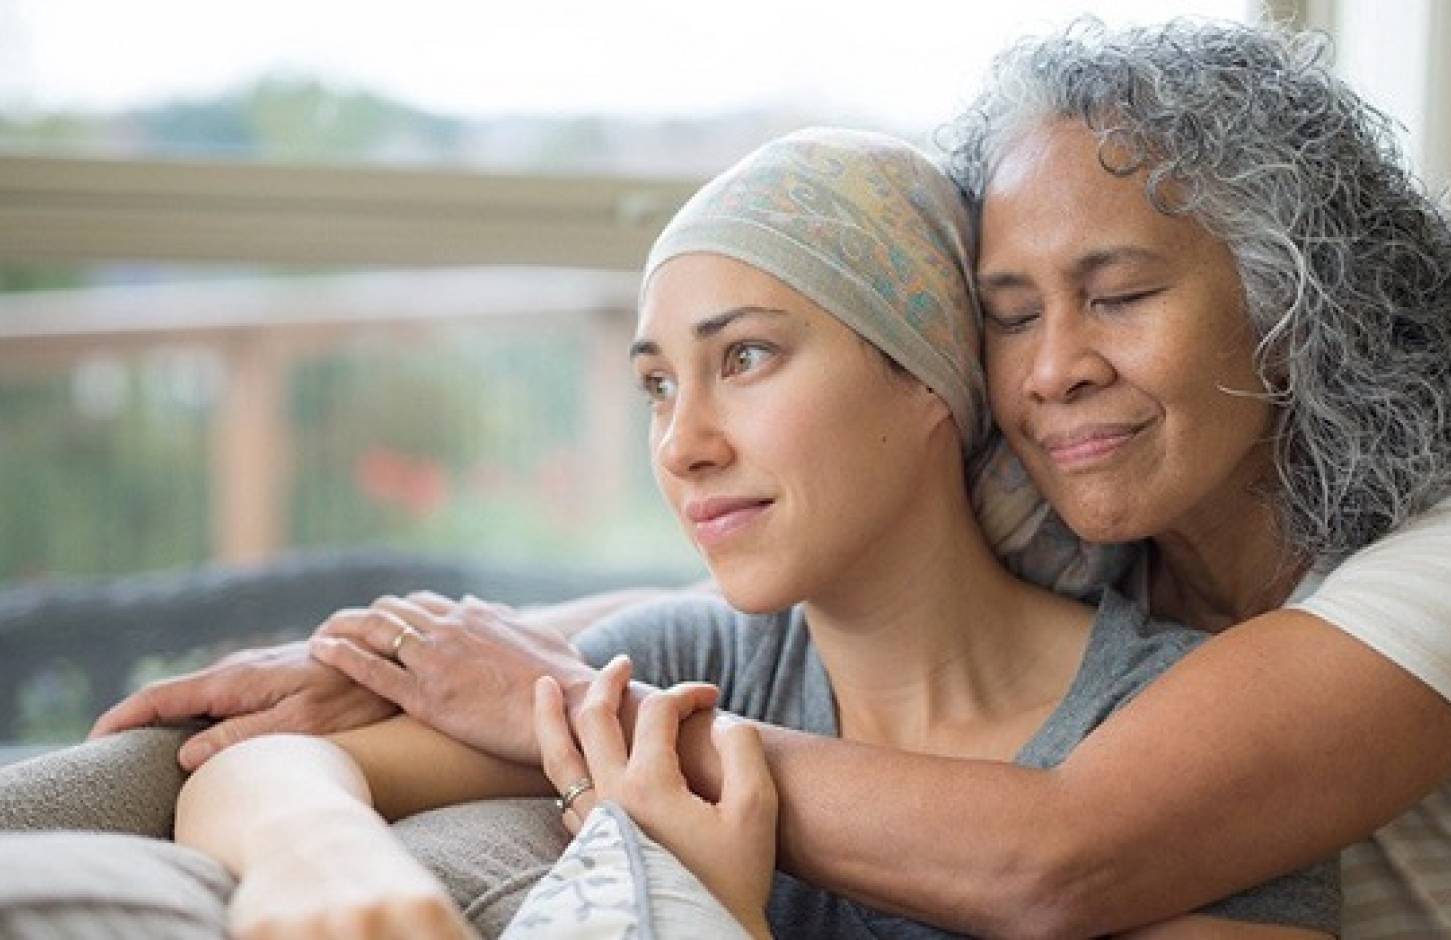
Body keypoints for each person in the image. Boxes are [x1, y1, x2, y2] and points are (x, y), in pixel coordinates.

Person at [5, 17, 1451, 939]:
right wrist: (411, 657)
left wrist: (565, 716)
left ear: (1292, 297)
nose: (1050, 365)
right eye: (1008, 313)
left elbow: (1056, 851)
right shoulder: (1080, 515)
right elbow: (728, 595)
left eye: (1119, 293)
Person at [167, 126, 1338, 939]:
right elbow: (262, 766)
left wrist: (714, 918)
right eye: (657, 386)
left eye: (746, 357)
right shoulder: (695, 665)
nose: (683, 443)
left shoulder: (1175, 751)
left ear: (928, 378)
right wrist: (319, 856)